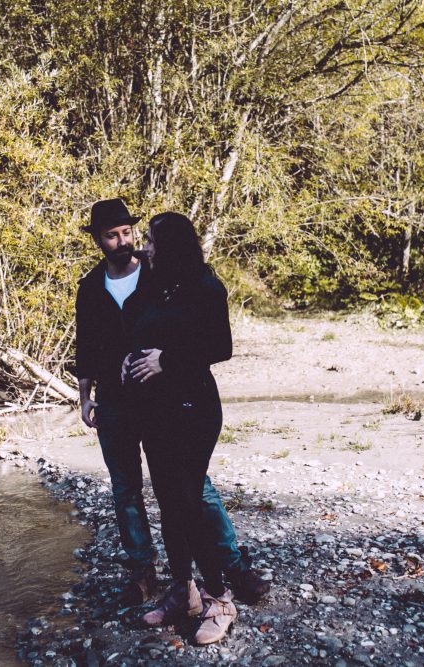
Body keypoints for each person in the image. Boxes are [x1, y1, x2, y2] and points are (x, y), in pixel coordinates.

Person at [74, 199, 267, 609]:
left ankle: (231, 567)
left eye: (129, 233)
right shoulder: (90, 288)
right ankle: (146, 573)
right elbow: (86, 345)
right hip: (114, 401)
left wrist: (169, 361)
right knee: (126, 489)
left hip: (163, 401)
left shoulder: (160, 275)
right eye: (113, 235)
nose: (124, 242)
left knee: (192, 488)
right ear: (98, 240)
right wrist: (85, 396)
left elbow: (201, 328)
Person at [121, 211, 238, 645]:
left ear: (169, 244)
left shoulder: (206, 288)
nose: (143, 248)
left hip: (194, 409)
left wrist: (165, 360)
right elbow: (135, 321)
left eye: (149, 240)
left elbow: (220, 347)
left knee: (187, 503)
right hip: (156, 411)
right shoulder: (155, 286)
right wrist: (129, 356)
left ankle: (220, 599)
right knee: (169, 505)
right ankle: (182, 593)